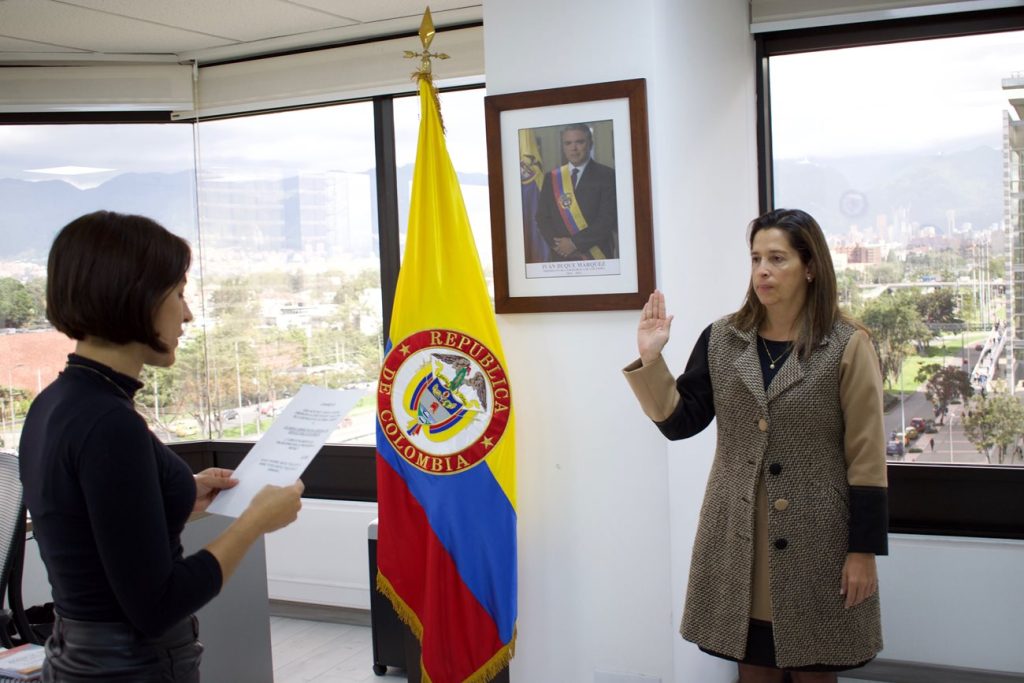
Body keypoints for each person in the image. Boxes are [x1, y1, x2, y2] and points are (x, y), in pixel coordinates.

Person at [19, 210, 305, 682]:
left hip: (76, 657)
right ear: (137, 297)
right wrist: (254, 523)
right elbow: (157, 604)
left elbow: (92, 528)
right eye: (178, 294)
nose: (187, 313)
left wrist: (180, 495)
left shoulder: (55, 403)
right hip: (131, 667)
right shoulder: (112, 425)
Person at [623, 209, 888, 682]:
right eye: (756, 258)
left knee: (815, 668)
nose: (762, 270)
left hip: (819, 544)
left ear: (810, 268)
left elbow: (866, 458)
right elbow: (681, 421)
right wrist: (651, 358)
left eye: (777, 258)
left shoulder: (847, 345)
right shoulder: (723, 339)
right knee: (753, 670)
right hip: (738, 538)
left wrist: (862, 551)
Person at [535, 123, 618, 261]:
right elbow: (542, 218)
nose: (573, 148)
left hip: (596, 256)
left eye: (579, 142)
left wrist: (574, 243)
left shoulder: (607, 175)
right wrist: (559, 246)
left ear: (590, 144)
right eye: (568, 143)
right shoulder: (552, 177)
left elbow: (608, 218)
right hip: (561, 256)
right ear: (563, 147)